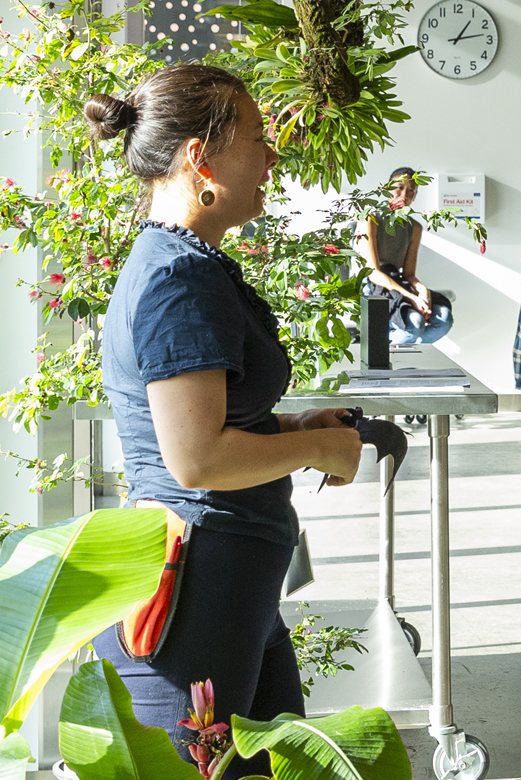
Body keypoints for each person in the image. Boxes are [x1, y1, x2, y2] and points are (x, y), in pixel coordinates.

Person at [85, 65, 363, 779]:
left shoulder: (184, 261)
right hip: (198, 594)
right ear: (199, 158)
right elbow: (197, 459)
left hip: (232, 587)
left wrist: (294, 425)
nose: (272, 156)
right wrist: (322, 444)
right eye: (257, 138)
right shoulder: (181, 277)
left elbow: (211, 419)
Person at [356, 166, 453, 344]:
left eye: (411, 191)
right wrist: (411, 298)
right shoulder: (371, 218)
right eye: (399, 187)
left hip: (396, 280)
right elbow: (372, 272)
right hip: (372, 283)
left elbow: (408, 274)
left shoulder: (414, 227)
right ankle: (373, 347)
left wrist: (421, 291)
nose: (404, 194)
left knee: (443, 319)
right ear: (387, 188)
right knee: (414, 323)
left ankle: (406, 354)